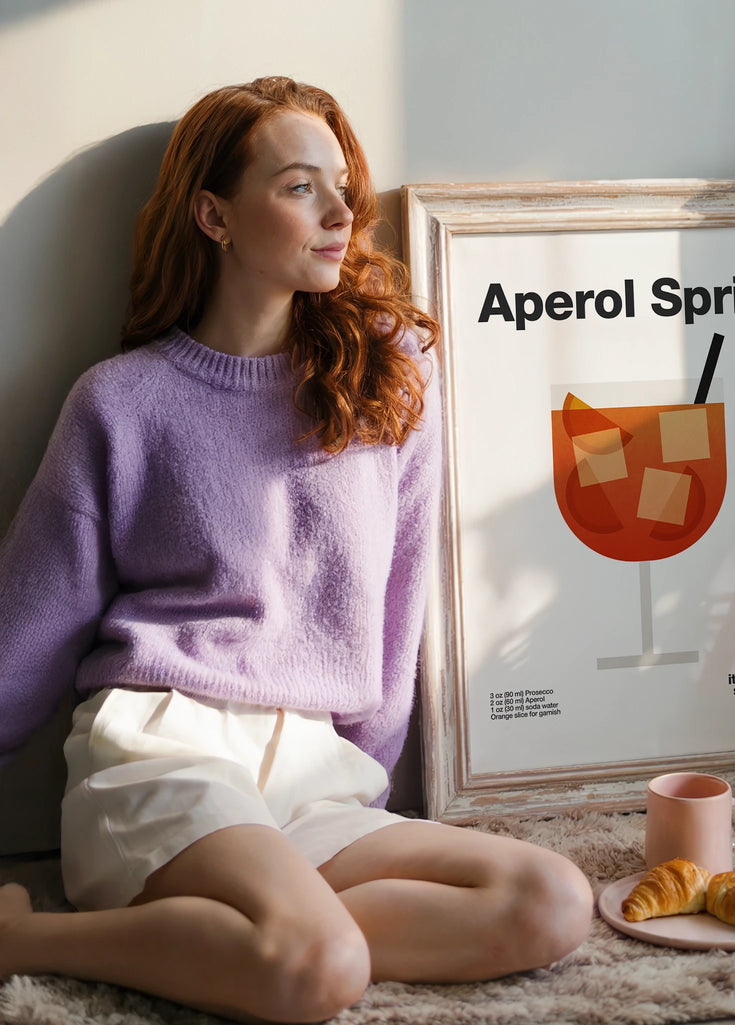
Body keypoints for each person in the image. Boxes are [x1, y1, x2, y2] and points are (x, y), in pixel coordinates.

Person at [0, 76, 593, 1023]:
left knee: (552, 901)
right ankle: (24, 938)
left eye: (342, 184)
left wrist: (371, 770)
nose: (341, 209)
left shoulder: (384, 386)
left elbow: (399, 609)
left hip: (312, 770)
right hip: (162, 750)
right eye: (297, 186)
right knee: (316, 970)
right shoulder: (120, 401)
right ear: (214, 215)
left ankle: (264, 937)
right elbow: (28, 631)